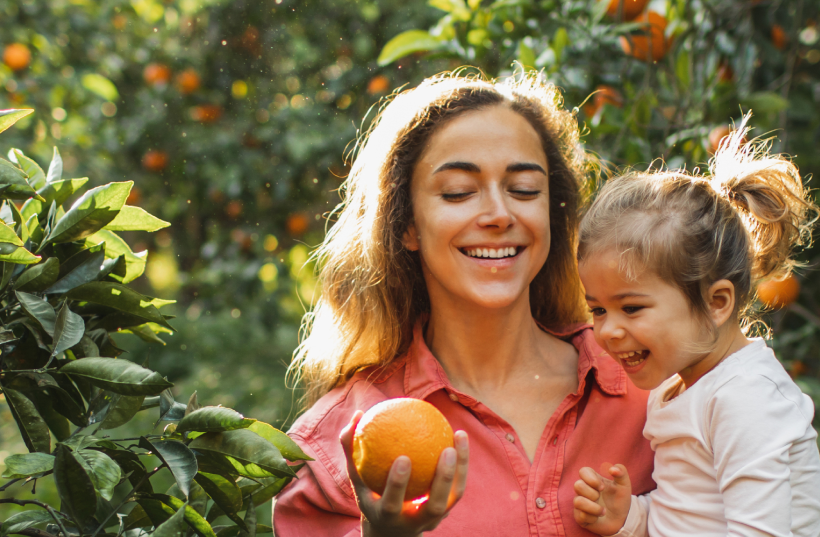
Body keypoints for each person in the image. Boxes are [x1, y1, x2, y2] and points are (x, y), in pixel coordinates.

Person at [274, 71, 657, 537]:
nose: (499, 214)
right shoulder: (336, 451)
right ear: (407, 225)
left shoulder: (651, 386)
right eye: (458, 192)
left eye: (524, 190)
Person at [570, 121, 820, 536]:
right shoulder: (679, 389)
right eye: (597, 310)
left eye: (631, 308)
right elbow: (689, 517)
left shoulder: (745, 398)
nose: (608, 331)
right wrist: (632, 517)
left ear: (716, 303)